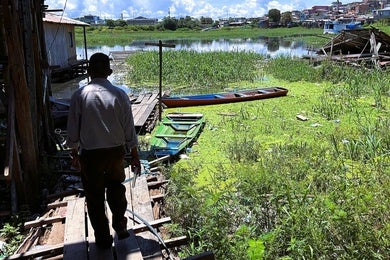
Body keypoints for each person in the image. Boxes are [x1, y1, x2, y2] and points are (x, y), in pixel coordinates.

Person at [65, 52, 141, 249]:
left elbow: (72, 131)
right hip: (116, 153)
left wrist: (74, 153)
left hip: (91, 156)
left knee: (95, 196)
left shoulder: (79, 95)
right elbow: (129, 129)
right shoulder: (120, 94)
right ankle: (121, 227)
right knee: (116, 189)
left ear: (89, 72)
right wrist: (134, 156)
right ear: (109, 71)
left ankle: (103, 238)